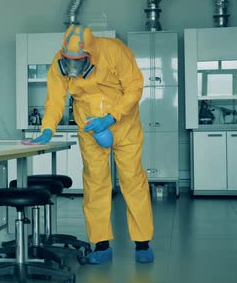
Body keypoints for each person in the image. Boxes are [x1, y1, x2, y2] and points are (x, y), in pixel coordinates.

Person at [30, 25, 154, 264]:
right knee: (95, 184)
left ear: (90, 54)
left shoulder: (114, 51)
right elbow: (55, 99)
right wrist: (48, 128)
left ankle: (142, 243)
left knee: (132, 181)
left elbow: (134, 87)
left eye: (78, 62)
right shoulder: (60, 61)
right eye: (69, 60)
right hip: (88, 127)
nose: (72, 67)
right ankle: (102, 244)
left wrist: (111, 117)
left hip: (123, 125)